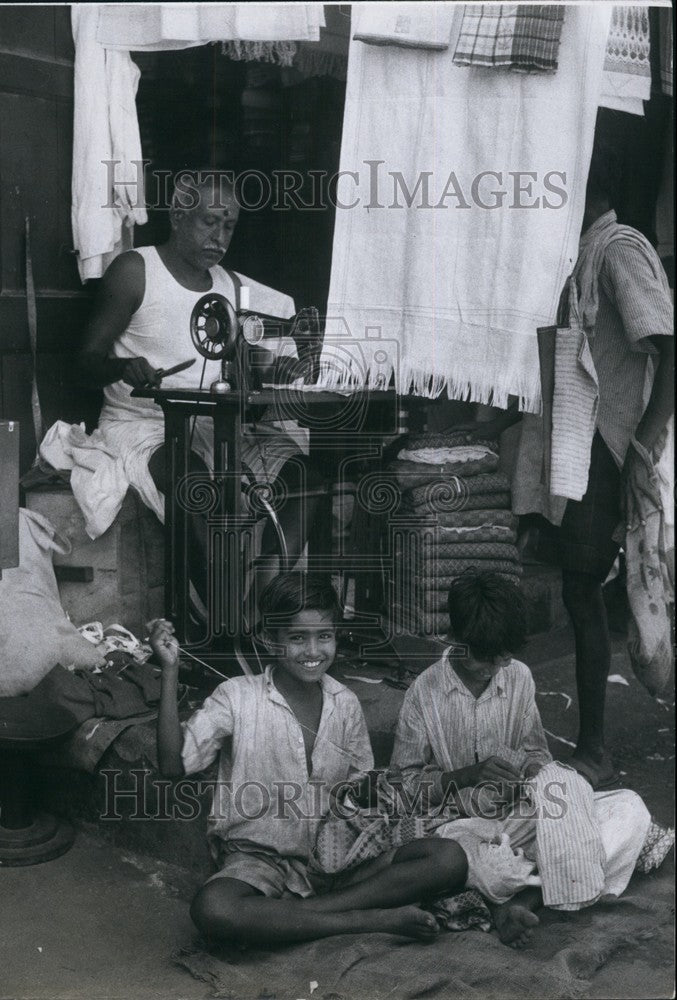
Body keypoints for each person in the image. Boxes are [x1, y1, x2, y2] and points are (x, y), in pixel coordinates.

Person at [448, 150, 674, 789]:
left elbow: (669, 344)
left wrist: (643, 446)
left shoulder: (618, 250)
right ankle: (591, 742)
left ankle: (596, 749)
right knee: (583, 585)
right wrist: (493, 426)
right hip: (586, 448)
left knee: (584, 587)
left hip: (613, 447)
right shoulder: (577, 256)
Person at [154, 572, 468, 947]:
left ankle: (305, 916)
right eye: (297, 638)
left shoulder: (345, 704)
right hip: (258, 863)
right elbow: (172, 765)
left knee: (448, 858)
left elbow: (359, 792)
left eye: (325, 636)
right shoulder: (236, 696)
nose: (313, 651)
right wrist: (170, 671)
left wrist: (379, 794)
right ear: (270, 639)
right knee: (213, 908)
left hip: (336, 861)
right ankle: (364, 919)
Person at [78, 171, 322, 617]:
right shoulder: (136, 271)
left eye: (229, 226)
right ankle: (225, 622)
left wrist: (290, 369)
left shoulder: (230, 286)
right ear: (177, 215)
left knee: (306, 478)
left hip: (216, 426)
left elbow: (243, 364)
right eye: (210, 221)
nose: (220, 236)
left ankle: (259, 610)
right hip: (144, 426)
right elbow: (83, 363)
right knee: (190, 479)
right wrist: (123, 367)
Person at [390, 571, 671, 948]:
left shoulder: (519, 677)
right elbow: (401, 788)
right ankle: (531, 890)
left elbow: (536, 752)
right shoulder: (423, 693)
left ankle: (520, 898)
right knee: (480, 868)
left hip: (521, 818)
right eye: (486, 660)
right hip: (464, 830)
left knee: (629, 809)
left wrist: (536, 773)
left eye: (504, 660)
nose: (495, 670)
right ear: (457, 640)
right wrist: (467, 775)